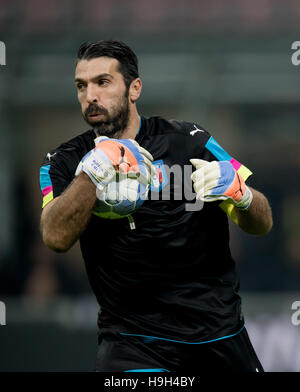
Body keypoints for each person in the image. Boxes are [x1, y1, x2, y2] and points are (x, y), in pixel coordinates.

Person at [39, 40, 273, 372]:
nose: (89, 95)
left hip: (219, 337)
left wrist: (243, 196)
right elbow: (55, 236)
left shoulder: (191, 141)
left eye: (102, 82)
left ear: (134, 89)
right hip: (134, 345)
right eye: (81, 86)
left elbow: (260, 223)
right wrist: (93, 173)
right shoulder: (64, 163)